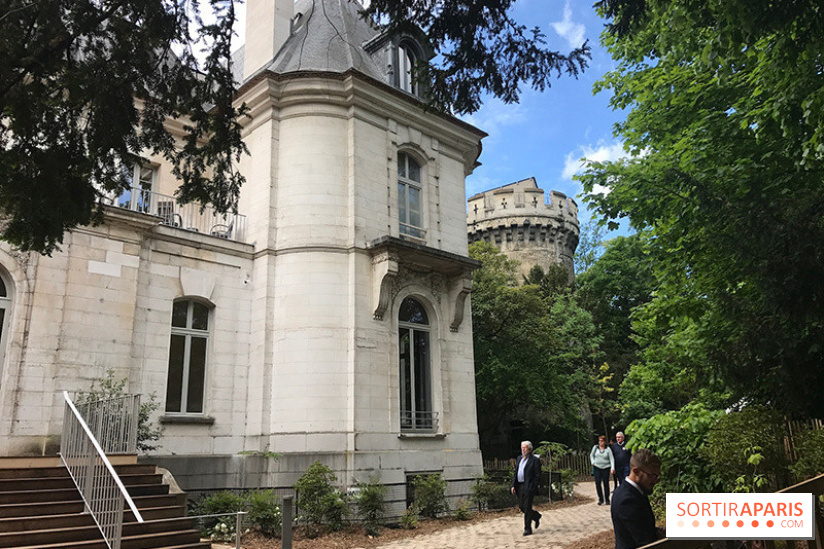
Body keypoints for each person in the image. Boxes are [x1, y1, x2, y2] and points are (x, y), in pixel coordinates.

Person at [611, 448, 665, 549]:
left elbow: (642, 528)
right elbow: (646, 542)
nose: (656, 481)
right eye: (652, 476)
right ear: (636, 471)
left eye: (658, 476)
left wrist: (658, 531)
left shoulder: (635, 492)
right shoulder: (627, 501)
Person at [511, 440, 542, 536]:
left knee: (527, 507)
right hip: (520, 486)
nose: (523, 450)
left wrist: (533, 486)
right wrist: (513, 485)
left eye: (525, 448)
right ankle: (536, 516)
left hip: (529, 486)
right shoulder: (519, 458)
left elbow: (538, 475)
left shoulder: (534, 460)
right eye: (522, 448)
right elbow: (516, 473)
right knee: (522, 506)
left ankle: (527, 529)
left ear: (529, 449)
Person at [590, 435, 615, 505]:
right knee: (598, 482)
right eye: (599, 441)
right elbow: (591, 455)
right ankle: (600, 499)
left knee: (605, 483)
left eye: (602, 441)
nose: (601, 442)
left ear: (605, 442)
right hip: (597, 467)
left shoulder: (608, 449)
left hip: (606, 467)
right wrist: (593, 462)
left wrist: (612, 468)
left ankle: (607, 499)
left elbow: (611, 458)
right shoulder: (595, 448)